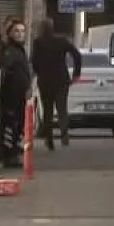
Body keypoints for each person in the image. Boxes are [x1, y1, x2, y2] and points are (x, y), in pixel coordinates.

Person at [29, 20, 81, 151]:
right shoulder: (62, 41)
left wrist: (39, 72)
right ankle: (64, 134)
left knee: (47, 110)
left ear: (41, 29)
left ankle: (49, 139)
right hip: (61, 79)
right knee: (62, 108)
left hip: (45, 80)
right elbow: (76, 55)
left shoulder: (38, 43)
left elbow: (34, 61)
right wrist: (76, 73)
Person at [0, 19, 32, 168]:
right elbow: (4, 72)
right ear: (10, 33)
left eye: (22, 31)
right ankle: (9, 155)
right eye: (16, 31)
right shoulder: (9, 51)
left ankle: (14, 153)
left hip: (20, 97)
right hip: (10, 97)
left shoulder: (20, 50)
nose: (20, 34)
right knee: (10, 127)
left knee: (18, 126)